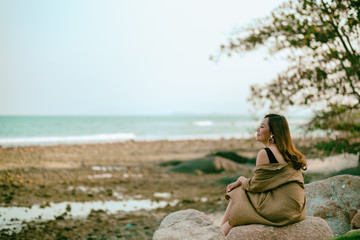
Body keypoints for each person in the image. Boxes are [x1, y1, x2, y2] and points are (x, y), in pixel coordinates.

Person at [221, 113, 307, 236]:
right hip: (296, 209)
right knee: (241, 193)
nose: (257, 130)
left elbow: (256, 186)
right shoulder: (289, 152)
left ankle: (218, 233)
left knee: (238, 191)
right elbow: (265, 181)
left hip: (282, 209)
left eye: (262, 127)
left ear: (272, 133)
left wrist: (241, 179)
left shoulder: (265, 153)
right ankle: (220, 231)